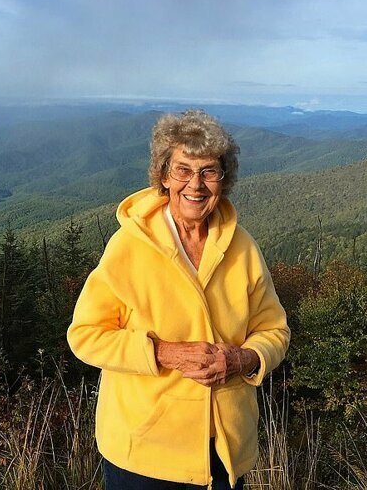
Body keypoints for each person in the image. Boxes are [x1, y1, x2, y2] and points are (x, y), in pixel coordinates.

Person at [67, 110, 290, 489]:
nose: (196, 185)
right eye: (183, 170)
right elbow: (85, 335)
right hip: (144, 454)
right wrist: (166, 353)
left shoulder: (243, 247)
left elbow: (274, 329)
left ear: (224, 179)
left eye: (209, 171)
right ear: (164, 176)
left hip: (224, 453)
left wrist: (242, 359)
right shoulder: (129, 246)